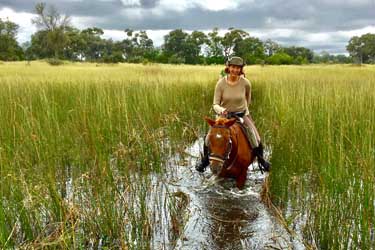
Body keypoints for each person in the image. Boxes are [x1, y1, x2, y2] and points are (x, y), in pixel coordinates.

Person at [196, 56, 270, 172]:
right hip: (223, 117)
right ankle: (205, 161)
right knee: (207, 138)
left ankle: (261, 160)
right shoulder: (220, 84)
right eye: (233, 67)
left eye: (238, 68)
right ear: (228, 67)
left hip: (241, 115)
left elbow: (248, 100)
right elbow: (215, 104)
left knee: (256, 138)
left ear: (241, 69)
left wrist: (242, 112)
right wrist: (221, 110)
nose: (235, 70)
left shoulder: (246, 83)